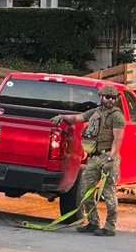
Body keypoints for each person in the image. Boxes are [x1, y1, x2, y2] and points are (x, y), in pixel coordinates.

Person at [52, 84, 125, 236]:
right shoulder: (95, 112)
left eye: (113, 97)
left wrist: (110, 158)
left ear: (116, 99)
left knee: (108, 193)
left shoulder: (117, 116)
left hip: (108, 157)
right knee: (84, 190)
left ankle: (110, 226)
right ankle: (93, 222)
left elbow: (117, 140)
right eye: (107, 97)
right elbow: (78, 118)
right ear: (101, 97)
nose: (110, 100)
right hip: (94, 157)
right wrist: (62, 117)